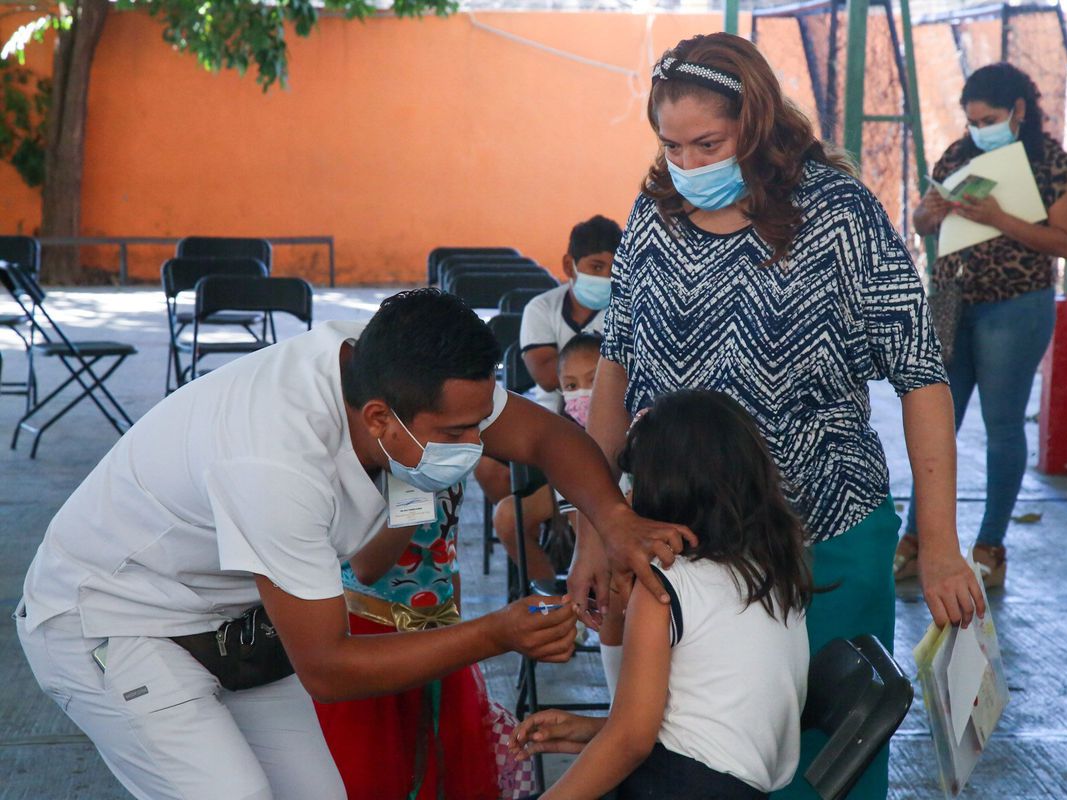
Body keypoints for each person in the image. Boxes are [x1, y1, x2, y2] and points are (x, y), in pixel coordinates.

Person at [14, 288, 693, 799]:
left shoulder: (387, 372)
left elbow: (545, 436)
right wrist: (495, 635)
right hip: (112, 619)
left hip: (228, 623)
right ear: (379, 419)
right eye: (455, 432)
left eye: (475, 425)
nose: (474, 445)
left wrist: (611, 521)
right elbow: (329, 668)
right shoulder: (275, 460)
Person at [567, 32, 985, 800]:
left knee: (826, 762)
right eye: (672, 145)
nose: (688, 165)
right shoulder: (654, 217)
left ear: (755, 123)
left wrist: (941, 547)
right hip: (684, 548)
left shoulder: (839, 215)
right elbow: (615, 372)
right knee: (693, 754)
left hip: (824, 539)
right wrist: (597, 527)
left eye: (708, 144)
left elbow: (922, 379)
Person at [512, 390, 813, 799]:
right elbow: (706, 724)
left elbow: (631, 741)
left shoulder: (667, 583)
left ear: (665, 488)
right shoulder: (768, 570)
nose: (625, 497)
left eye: (632, 481)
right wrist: (593, 731)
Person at [895, 62, 1067, 590]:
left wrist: (1000, 219)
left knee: (1002, 427)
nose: (979, 128)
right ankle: (916, 541)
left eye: (989, 118)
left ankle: (989, 547)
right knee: (935, 423)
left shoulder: (1053, 166)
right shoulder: (959, 154)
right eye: (973, 120)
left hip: (1016, 306)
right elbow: (922, 223)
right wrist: (927, 213)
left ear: (1018, 111)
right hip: (953, 301)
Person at [314, 482, 508, 799]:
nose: (472, 441)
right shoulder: (389, 464)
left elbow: (446, 551)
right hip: (372, 639)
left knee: (439, 770)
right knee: (374, 775)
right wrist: (417, 487)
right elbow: (367, 567)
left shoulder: (447, 452)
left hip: (437, 633)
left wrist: (455, 633)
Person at [473, 215, 620, 509]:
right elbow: (546, 376)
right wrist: (603, 362)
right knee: (487, 467)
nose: (606, 277)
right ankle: (541, 535)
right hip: (547, 424)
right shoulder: (542, 308)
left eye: (613, 269)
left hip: (612, 423)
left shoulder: (624, 309)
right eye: (596, 267)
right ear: (570, 266)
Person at [494, 332, 603, 586]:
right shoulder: (566, 436)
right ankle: (553, 596)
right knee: (508, 516)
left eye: (594, 380)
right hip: (584, 510)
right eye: (572, 386)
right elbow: (582, 524)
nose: (583, 394)